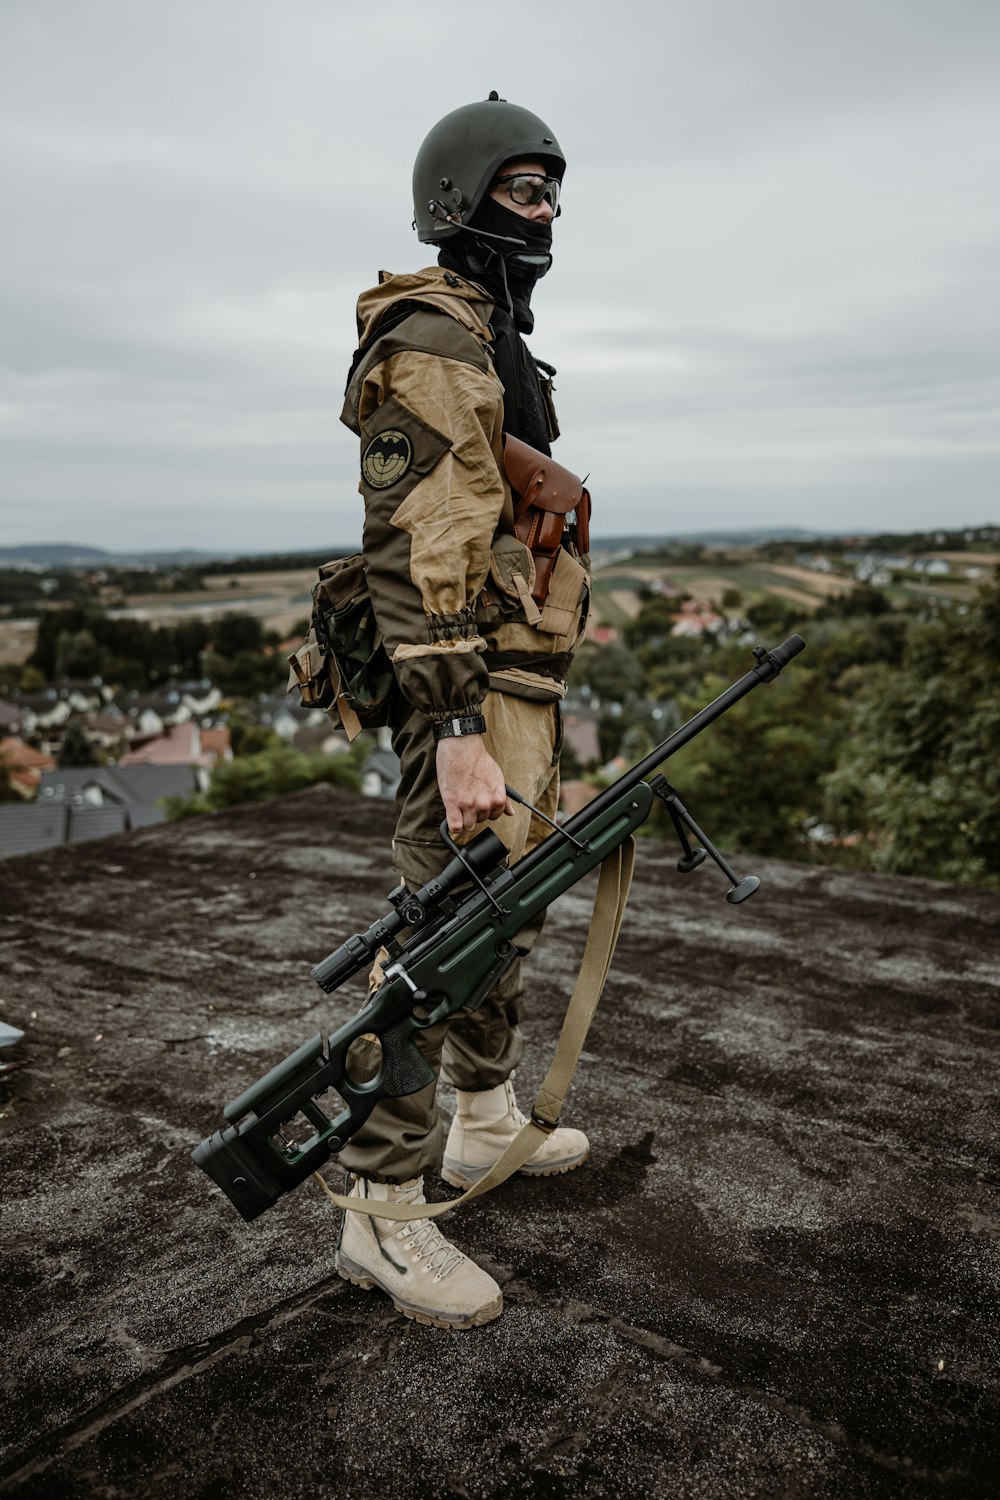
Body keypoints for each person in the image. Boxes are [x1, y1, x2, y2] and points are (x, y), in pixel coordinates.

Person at [333, 93, 592, 1329]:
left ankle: (480, 1112)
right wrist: (451, 730)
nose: (542, 211)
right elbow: (426, 537)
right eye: (520, 189)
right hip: (466, 688)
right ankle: (380, 1213)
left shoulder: (493, 334)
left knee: (504, 909)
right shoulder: (436, 334)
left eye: (551, 190)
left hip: (510, 680)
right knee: (435, 943)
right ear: (462, 199)